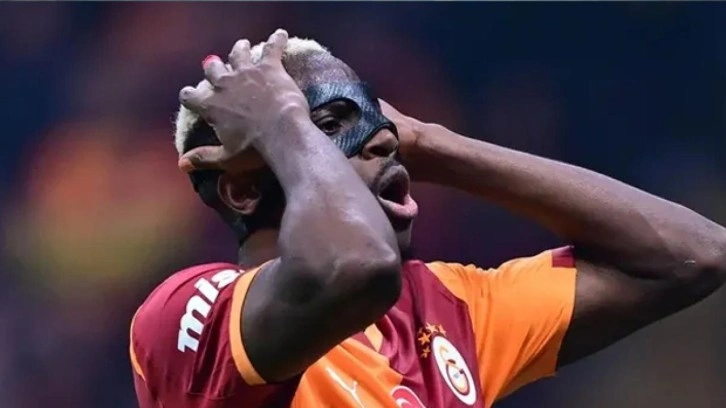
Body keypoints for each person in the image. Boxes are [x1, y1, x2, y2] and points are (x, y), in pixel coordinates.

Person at [129, 29, 726, 408]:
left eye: (376, 120)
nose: (381, 140)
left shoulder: (446, 309)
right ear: (242, 191)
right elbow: (351, 269)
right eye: (330, 125)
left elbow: (692, 256)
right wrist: (284, 119)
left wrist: (429, 140)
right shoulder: (186, 316)